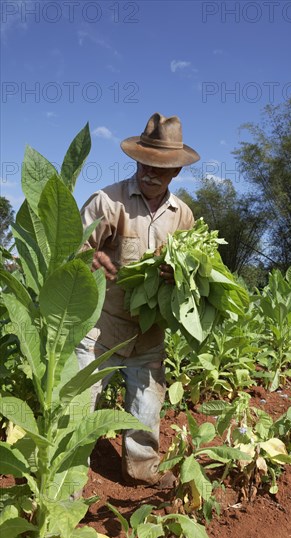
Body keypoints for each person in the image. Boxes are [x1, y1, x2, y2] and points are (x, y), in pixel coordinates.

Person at [76, 112, 200, 487]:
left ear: (175, 172)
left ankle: (142, 470)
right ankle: (65, 478)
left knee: (147, 407)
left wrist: (180, 275)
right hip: (102, 327)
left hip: (149, 333)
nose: (150, 172)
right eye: (145, 163)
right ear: (136, 160)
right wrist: (87, 258)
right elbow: (70, 252)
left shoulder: (183, 217)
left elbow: (193, 274)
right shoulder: (107, 202)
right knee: (78, 404)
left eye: (160, 168)